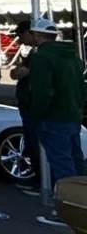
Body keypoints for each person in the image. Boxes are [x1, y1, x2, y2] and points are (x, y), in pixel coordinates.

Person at [26, 18, 86, 227]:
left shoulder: (42, 58)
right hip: (71, 114)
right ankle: (80, 203)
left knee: (62, 165)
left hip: (52, 117)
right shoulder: (73, 57)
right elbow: (81, 87)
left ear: (37, 35)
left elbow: (43, 92)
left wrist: (36, 115)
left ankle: (68, 211)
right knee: (76, 161)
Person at [11, 20, 43, 195]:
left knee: (36, 141)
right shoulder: (33, 53)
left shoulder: (38, 55)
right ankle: (40, 177)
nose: (19, 39)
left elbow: (19, 73)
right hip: (29, 103)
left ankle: (43, 181)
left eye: (21, 34)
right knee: (33, 141)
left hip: (33, 104)